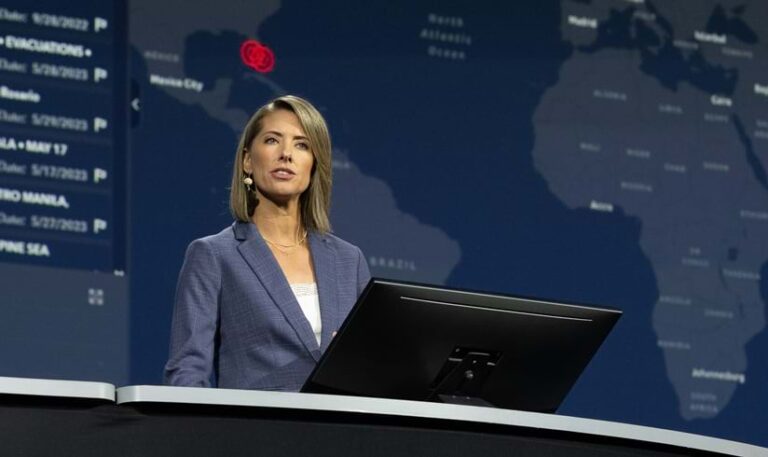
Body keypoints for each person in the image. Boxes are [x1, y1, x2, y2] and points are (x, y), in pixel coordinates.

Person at [164, 95, 371, 390]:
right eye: (273, 140)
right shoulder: (213, 255)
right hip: (255, 432)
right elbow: (186, 372)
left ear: (314, 167)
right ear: (248, 160)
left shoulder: (350, 261)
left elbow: (370, 367)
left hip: (339, 432)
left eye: (302, 144)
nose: (286, 154)